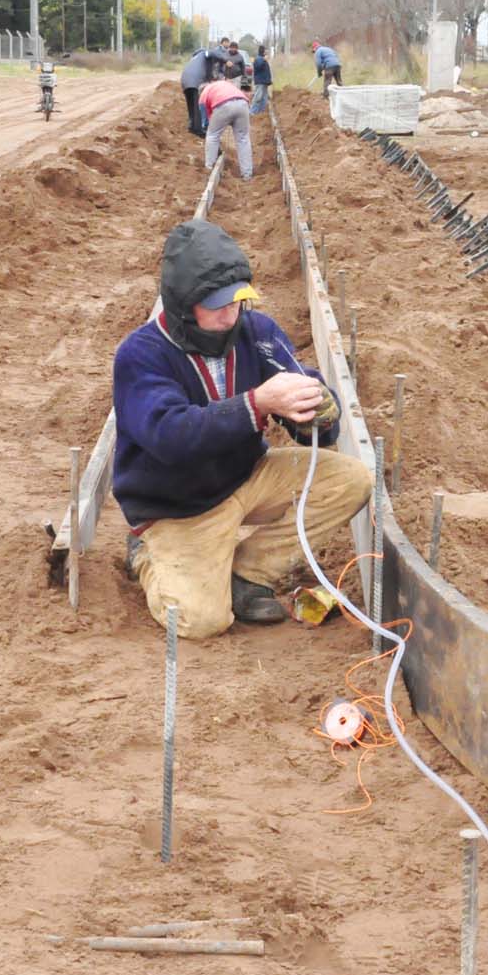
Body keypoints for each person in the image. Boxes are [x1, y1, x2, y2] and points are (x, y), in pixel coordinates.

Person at [111, 221, 372, 637]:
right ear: (182, 304)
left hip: (246, 477)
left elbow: (300, 388)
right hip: (179, 506)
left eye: (237, 301)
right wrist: (259, 403)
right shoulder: (141, 356)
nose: (230, 314)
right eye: (216, 305)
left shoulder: (257, 332)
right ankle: (147, 553)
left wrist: (317, 409)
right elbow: (170, 436)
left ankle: (248, 574)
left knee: (350, 480)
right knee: (202, 621)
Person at [199, 77, 254, 180]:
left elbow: (206, 122)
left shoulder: (203, 96)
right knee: (243, 139)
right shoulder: (222, 84)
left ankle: (209, 168)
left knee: (212, 136)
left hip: (223, 105)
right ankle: (247, 174)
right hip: (243, 103)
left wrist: (208, 129)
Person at [179, 44, 222, 138]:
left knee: (191, 104)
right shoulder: (204, 54)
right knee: (198, 105)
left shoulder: (194, 59)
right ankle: (198, 130)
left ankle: (191, 126)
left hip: (185, 80)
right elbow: (212, 54)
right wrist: (225, 59)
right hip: (195, 80)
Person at [250, 44, 275, 119]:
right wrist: (264, 60)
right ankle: (252, 112)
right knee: (258, 97)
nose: (266, 51)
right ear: (262, 51)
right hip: (260, 82)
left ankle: (261, 112)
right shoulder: (258, 59)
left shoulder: (262, 59)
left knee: (264, 98)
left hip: (264, 82)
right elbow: (258, 67)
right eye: (265, 50)